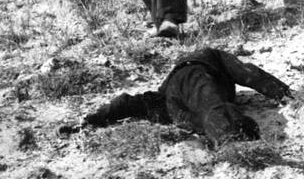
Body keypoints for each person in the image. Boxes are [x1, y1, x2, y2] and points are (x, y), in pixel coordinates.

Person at [72, 47, 291, 148]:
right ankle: (236, 138)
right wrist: (92, 119)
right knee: (219, 100)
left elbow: (127, 104)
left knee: (242, 79)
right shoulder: (174, 104)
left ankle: (287, 96)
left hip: (196, 72)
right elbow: (126, 104)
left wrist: (94, 118)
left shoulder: (169, 104)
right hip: (191, 74)